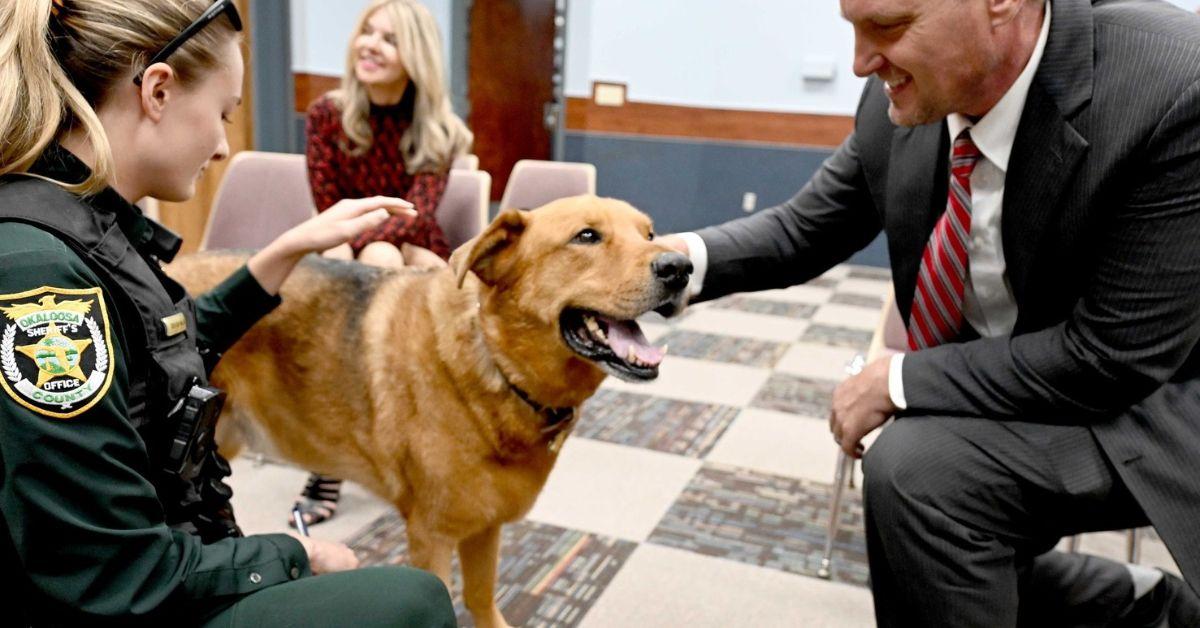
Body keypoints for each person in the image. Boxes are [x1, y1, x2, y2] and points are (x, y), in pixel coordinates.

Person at [660, 0, 1200, 625]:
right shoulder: (905, 103)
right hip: (1029, 379)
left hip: (1153, 404)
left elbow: (1110, 359)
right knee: (927, 498)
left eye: (887, 27)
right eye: (852, 29)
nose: (860, 62)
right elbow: (801, 231)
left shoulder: (1173, 83)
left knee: (920, 473)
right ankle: (1137, 605)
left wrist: (895, 380)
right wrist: (663, 263)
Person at [0, 0, 455, 625]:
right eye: (222, 115)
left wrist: (290, 248)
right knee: (412, 600)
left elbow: (160, 354)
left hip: (158, 556)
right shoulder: (41, 281)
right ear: (157, 91)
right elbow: (111, 571)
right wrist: (289, 553)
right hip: (123, 597)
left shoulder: (74, 219)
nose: (221, 145)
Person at [295, 0, 472, 529]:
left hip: (410, 240)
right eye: (366, 32)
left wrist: (365, 247)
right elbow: (328, 205)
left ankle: (378, 445)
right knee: (351, 264)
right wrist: (353, 246)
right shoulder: (328, 113)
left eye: (389, 38)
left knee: (381, 259)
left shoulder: (438, 126)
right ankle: (335, 452)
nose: (370, 44)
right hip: (343, 243)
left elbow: (418, 211)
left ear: (415, 55)